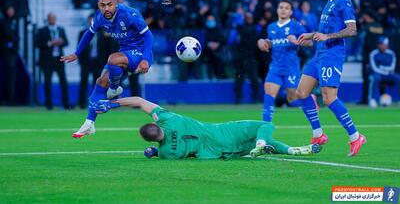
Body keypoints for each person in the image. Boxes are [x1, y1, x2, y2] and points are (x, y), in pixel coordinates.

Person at [93, 96, 322, 159]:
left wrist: (154, 153)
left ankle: (293, 150)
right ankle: (261, 144)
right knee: (264, 126)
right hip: (222, 132)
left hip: (219, 153)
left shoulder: (167, 153)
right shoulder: (168, 118)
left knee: (255, 142)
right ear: (155, 123)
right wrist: (112, 104)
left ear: (151, 140)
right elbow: (141, 101)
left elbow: (186, 155)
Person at [61, 0, 153, 138]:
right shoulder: (99, 17)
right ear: (98, 5)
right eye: (102, 5)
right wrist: (76, 53)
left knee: (112, 59)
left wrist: (146, 59)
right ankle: (89, 123)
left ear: (115, 3)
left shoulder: (129, 14)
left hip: (140, 52)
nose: (106, 8)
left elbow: (148, 35)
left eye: (110, 4)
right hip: (124, 53)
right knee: (101, 81)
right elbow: (89, 33)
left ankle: (115, 89)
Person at [296, 0, 366, 157]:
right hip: (319, 54)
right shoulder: (331, 1)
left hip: (332, 55)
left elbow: (352, 30)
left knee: (329, 98)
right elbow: (325, 28)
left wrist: (327, 36)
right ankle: (318, 135)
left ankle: (355, 136)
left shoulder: (344, 2)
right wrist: (311, 34)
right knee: (301, 92)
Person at [257, 0, 313, 122]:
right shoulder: (271, 27)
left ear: (291, 11)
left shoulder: (295, 25)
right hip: (275, 68)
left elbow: (310, 42)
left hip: (291, 68)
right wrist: (263, 42)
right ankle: (265, 129)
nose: (283, 10)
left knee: (292, 98)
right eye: (281, 7)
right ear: (277, 10)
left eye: (286, 8)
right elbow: (271, 42)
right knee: (268, 95)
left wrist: (297, 41)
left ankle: (310, 99)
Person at [35, 13, 70, 110]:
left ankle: (66, 104)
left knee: (63, 82)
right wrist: (50, 43)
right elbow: (37, 43)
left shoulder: (60, 29)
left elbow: (66, 42)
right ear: (48, 19)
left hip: (59, 59)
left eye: (53, 18)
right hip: (47, 61)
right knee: (47, 82)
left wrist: (61, 42)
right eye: (50, 18)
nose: (52, 20)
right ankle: (49, 104)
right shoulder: (42, 31)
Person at [368, 37, 399, 107]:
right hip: (378, 74)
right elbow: (374, 68)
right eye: (379, 44)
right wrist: (385, 71)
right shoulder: (374, 54)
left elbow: (392, 67)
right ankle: (373, 99)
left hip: (388, 74)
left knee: (398, 78)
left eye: (382, 44)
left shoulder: (391, 54)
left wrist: (382, 68)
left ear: (387, 45)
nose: (380, 45)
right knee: (375, 78)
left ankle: (398, 99)